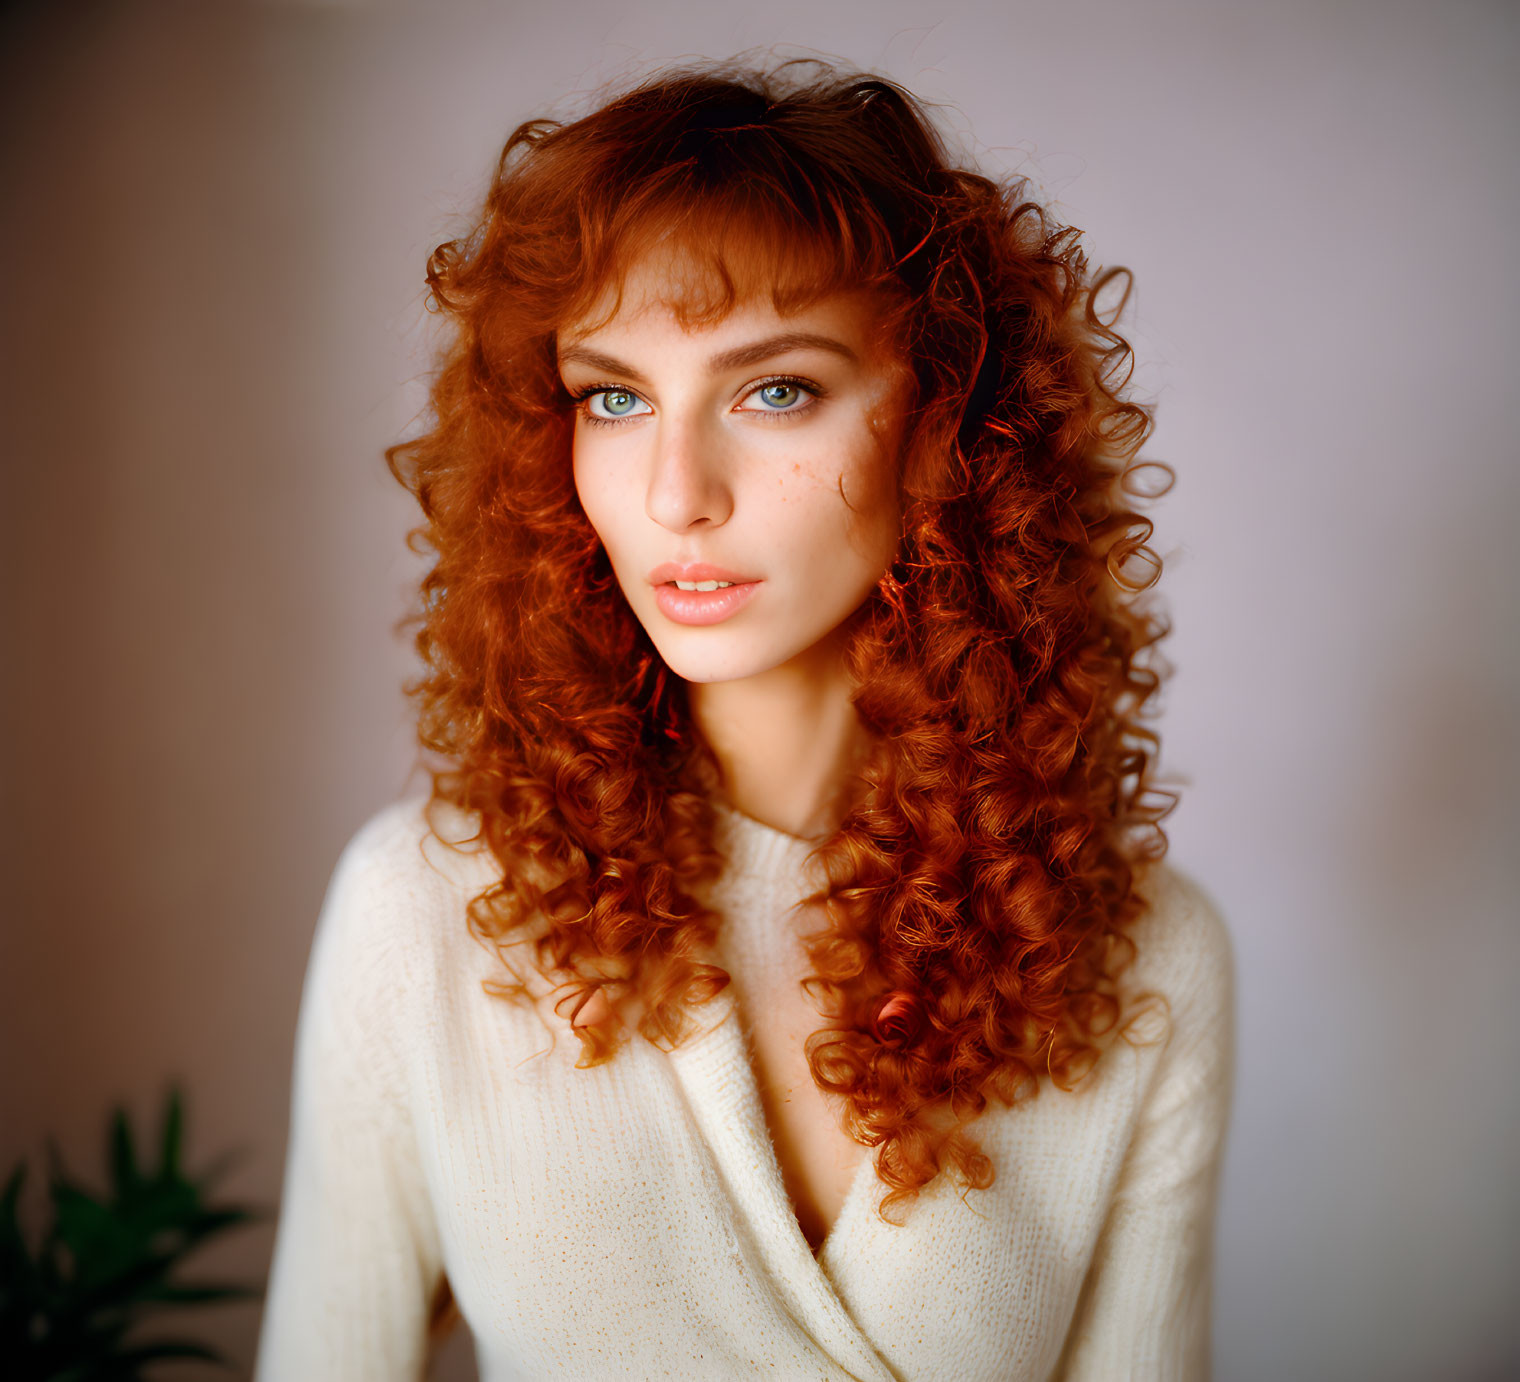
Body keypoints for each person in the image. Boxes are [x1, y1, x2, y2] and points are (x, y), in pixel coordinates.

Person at [255, 56, 1234, 1381]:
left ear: (942, 423)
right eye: (613, 395)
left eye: (775, 389)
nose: (676, 492)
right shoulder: (421, 913)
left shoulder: (1146, 965)